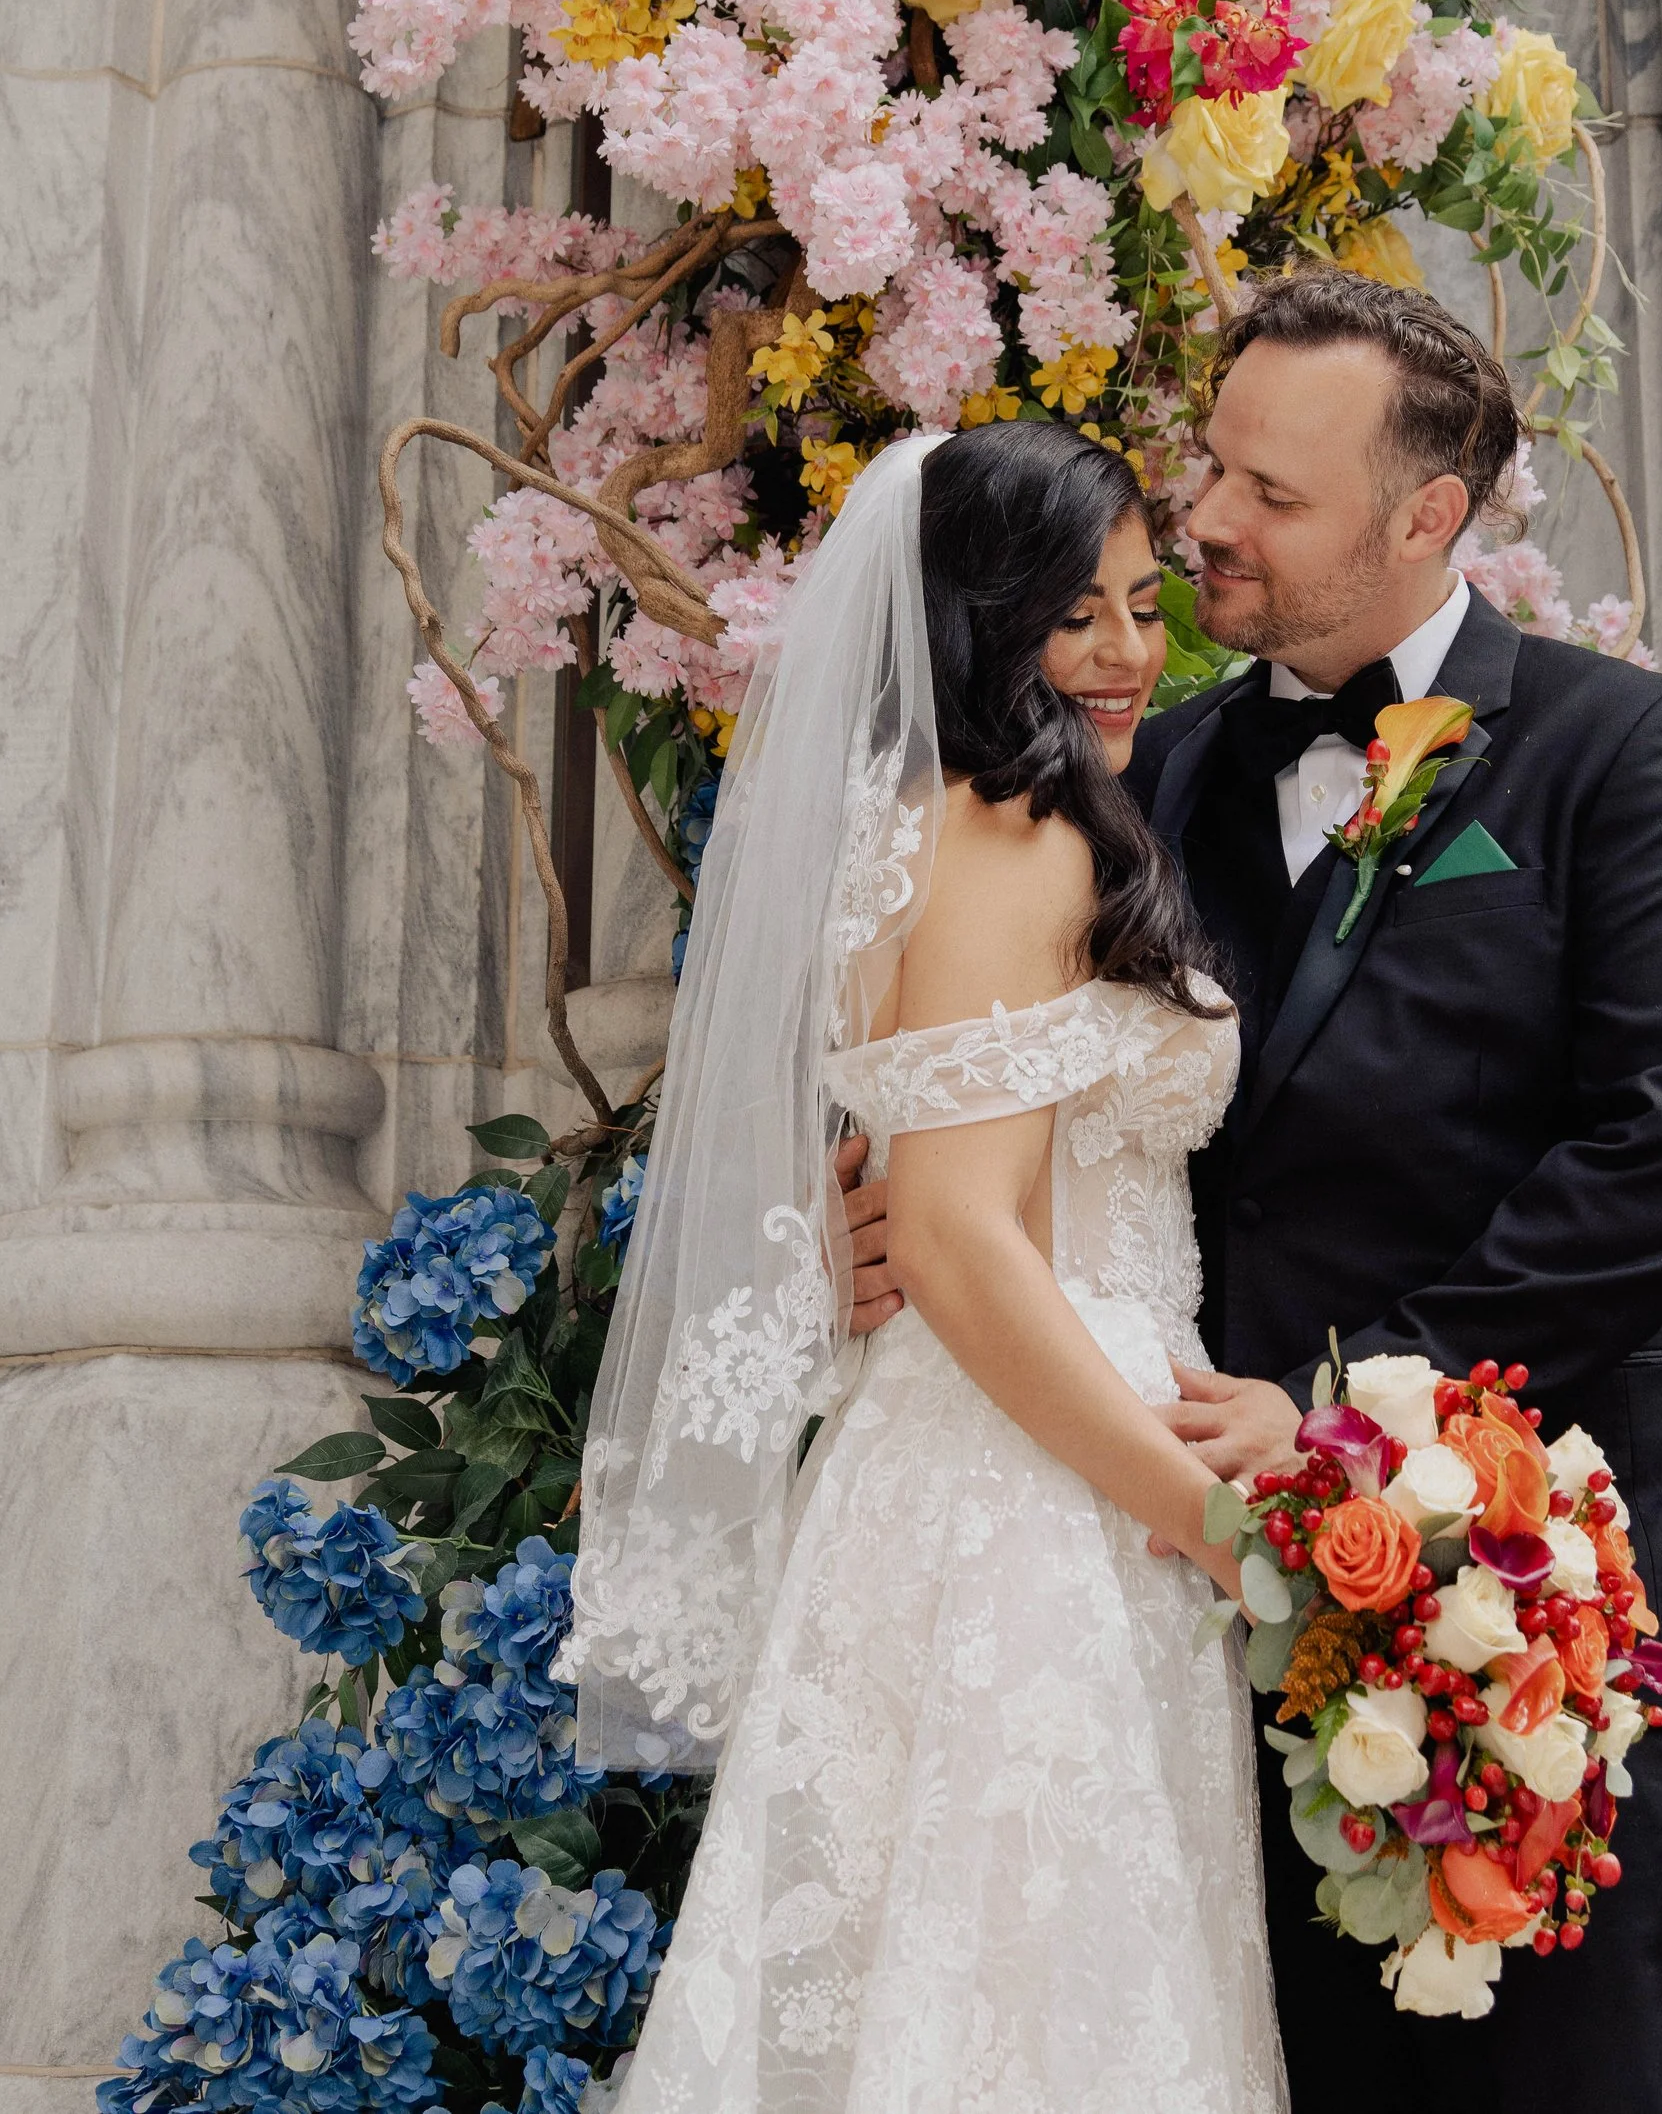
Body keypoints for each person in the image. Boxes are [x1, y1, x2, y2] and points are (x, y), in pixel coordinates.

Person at [559, 420, 1287, 2114]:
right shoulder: (1015, 835)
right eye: (1075, 614)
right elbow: (960, 1239)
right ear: (980, 620)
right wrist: (1203, 1520)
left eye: (1140, 600)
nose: (1128, 651)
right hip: (1047, 1477)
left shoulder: (926, 827)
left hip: (985, 1455)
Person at [1132, 269, 1662, 2110]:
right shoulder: (1162, 766)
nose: (1208, 522)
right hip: (1193, 1617)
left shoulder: (1628, 753)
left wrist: (1355, 1412)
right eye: (1212, 471)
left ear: (1430, 516)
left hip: (1537, 1632)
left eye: (1273, 493)